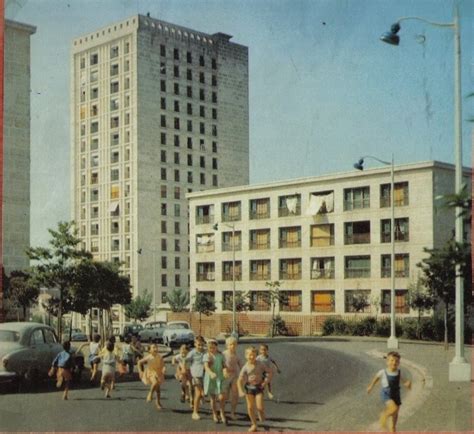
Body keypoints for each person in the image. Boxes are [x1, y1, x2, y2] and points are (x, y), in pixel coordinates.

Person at [367, 351, 412, 432]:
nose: (394, 362)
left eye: (396, 361)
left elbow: (404, 381)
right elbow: (376, 378)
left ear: (399, 363)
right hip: (386, 393)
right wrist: (371, 386)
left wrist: (407, 384)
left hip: (396, 394)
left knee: (395, 415)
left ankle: (393, 429)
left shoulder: (398, 372)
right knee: (393, 408)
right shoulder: (383, 372)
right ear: (387, 362)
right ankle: (384, 415)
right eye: (392, 360)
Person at [238, 346, 273, 432]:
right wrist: (240, 390)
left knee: (259, 407)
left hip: (258, 387)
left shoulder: (260, 364)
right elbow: (239, 380)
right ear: (246, 356)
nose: (251, 357)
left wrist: (265, 382)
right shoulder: (245, 367)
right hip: (249, 388)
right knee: (250, 408)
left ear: (256, 355)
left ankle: (261, 412)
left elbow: (270, 372)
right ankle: (254, 424)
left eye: (253, 355)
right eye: (249, 355)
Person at [203, 338, 226, 424]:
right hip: (211, 378)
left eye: (213, 347)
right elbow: (206, 366)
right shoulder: (207, 356)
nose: (212, 349)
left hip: (219, 377)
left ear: (216, 347)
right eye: (210, 347)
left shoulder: (221, 355)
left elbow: (224, 365)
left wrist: (225, 370)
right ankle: (214, 414)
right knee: (213, 398)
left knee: (221, 397)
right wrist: (210, 373)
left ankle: (222, 413)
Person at [137, 343, 166, 410]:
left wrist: (164, 369)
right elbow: (139, 362)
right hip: (151, 373)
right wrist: (140, 371)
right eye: (153, 348)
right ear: (150, 351)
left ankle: (158, 402)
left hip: (158, 373)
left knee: (158, 390)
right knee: (155, 382)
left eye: (156, 347)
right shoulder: (149, 357)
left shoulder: (160, 356)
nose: (155, 349)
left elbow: (163, 365)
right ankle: (150, 394)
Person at [186, 335, 206, 420]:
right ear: (195, 344)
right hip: (196, 374)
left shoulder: (205, 352)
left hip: (205, 374)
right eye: (198, 345)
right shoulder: (192, 353)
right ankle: (195, 412)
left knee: (204, 392)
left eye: (202, 345)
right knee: (198, 393)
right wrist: (186, 371)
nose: (200, 346)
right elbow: (185, 360)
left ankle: (202, 396)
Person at [222, 336, 242, 420]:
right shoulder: (224, 354)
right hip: (226, 376)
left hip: (235, 375)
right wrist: (224, 369)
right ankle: (222, 412)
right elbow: (220, 364)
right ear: (227, 345)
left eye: (234, 344)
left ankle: (232, 412)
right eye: (230, 344)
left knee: (235, 395)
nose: (232, 346)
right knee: (224, 396)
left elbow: (241, 365)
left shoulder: (236, 355)